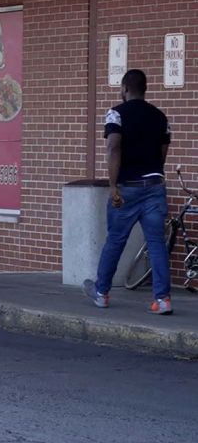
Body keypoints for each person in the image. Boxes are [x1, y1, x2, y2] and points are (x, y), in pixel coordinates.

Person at [84, 69, 173, 315]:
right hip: (155, 186)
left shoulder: (116, 113)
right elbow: (163, 152)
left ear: (124, 88)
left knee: (115, 239)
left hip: (127, 188)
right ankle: (163, 300)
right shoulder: (160, 117)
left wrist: (113, 185)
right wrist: (154, 173)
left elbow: (113, 147)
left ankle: (101, 293)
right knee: (156, 243)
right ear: (144, 89)